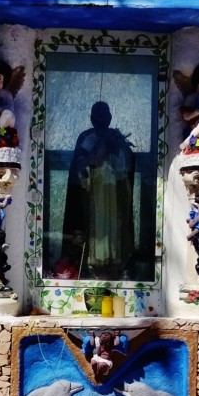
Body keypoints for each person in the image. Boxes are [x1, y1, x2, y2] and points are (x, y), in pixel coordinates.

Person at [60, 101, 136, 279]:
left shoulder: (116, 138)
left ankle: (115, 264)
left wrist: (115, 150)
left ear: (110, 118)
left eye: (105, 115)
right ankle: (89, 264)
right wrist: (96, 155)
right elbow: (79, 166)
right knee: (93, 226)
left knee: (113, 227)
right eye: (97, 115)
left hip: (114, 193)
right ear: (91, 118)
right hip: (92, 192)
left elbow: (126, 166)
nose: (101, 119)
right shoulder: (86, 136)